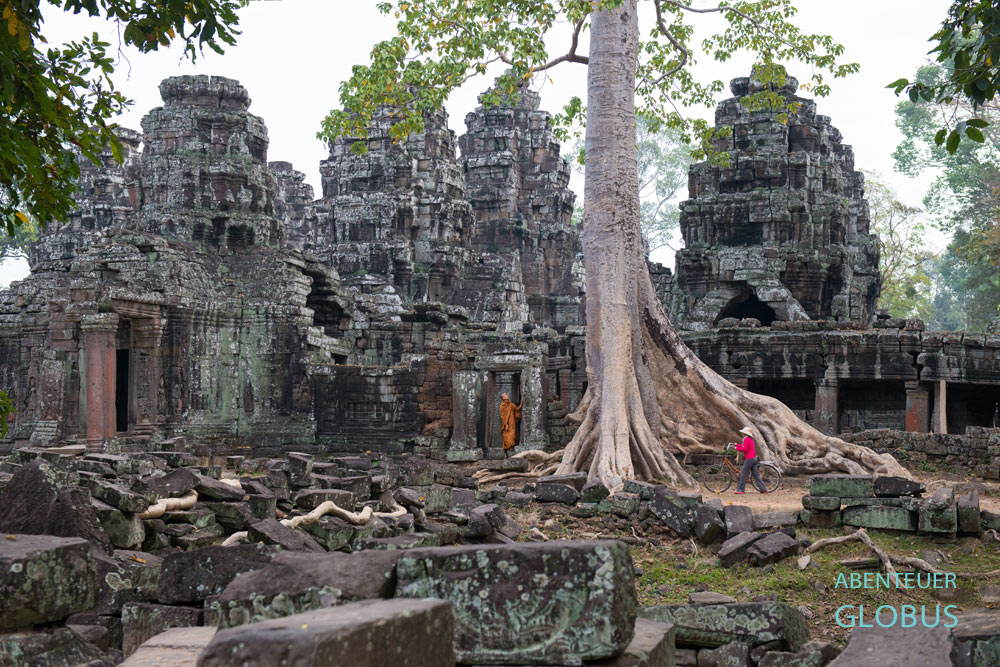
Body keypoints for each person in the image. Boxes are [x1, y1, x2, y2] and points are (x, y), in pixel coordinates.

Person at [734, 425, 766, 494]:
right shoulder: (750, 439)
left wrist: (737, 448)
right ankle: (763, 489)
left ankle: (740, 490)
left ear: (745, 433)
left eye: (743, 432)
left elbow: (744, 449)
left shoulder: (746, 439)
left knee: (743, 473)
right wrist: (737, 445)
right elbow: (744, 446)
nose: (742, 433)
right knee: (756, 475)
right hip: (754, 458)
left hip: (749, 459)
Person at [499, 392, 522, 457]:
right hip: (506, 425)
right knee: (506, 438)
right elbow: (503, 416)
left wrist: (522, 403)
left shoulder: (511, 404)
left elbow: (517, 409)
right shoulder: (502, 406)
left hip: (512, 424)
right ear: (503, 398)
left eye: (506, 394)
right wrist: (506, 424)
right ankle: (505, 453)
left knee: (512, 437)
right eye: (505, 395)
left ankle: (510, 452)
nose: (507, 395)